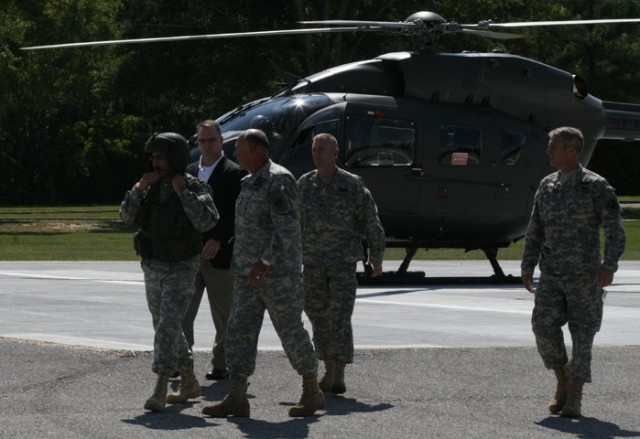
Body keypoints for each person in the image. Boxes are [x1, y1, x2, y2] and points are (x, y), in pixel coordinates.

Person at [201, 129, 325, 418]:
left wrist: (264, 262)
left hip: (278, 275)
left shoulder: (278, 180)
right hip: (246, 274)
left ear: (255, 151)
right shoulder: (248, 182)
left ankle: (311, 390)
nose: (235, 154)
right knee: (239, 333)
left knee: (290, 332)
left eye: (240, 149)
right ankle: (237, 396)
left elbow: (287, 229)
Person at [521, 126, 625, 418]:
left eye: (554, 146)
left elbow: (615, 229)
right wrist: (527, 265)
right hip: (552, 273)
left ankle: (575, 393)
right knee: (543, 326)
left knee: (582, 334)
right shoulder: (547, 185)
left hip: (585, 275)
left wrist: (609, 265)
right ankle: (561, 380)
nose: (548, 150)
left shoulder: (595, 185)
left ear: (572, 151)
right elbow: (536, 228)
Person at [119, 132, 219, 412]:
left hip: (182, 266)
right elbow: (126, 217)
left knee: (166, 326)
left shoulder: (193, 186)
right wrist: (138, 190)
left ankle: (161, 386)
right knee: (165, 326)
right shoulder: (147, 187)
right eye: (152, 158)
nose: (155, 163)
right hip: (153, 264)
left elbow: (207, 221)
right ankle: (189, 379)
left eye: (160, 157)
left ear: (175, 158)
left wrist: (182, 193)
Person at [297, 133, 386, 394]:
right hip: (312, 262)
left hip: (342, 262)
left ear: (335, 153)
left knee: (339, 315)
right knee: (317, 315)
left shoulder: (351, 184)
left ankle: (338, 373)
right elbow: (291, 223)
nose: (317, 154)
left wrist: (376, 256)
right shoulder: (304, 184)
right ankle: (327, 367)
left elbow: (371, 221)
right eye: (314, 149)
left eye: (323, 149)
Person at [182, 120, 246, 381]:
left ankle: (221, 363)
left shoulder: (234, 173)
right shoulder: (186, 173)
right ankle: (182, 361)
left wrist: (219, 239)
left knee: (223, 313)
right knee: (183, 311)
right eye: (202, 141)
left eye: (211, 140)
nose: (206, 145)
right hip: (189, 255)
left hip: (219, 255)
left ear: (221, 141)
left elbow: (235, 213)